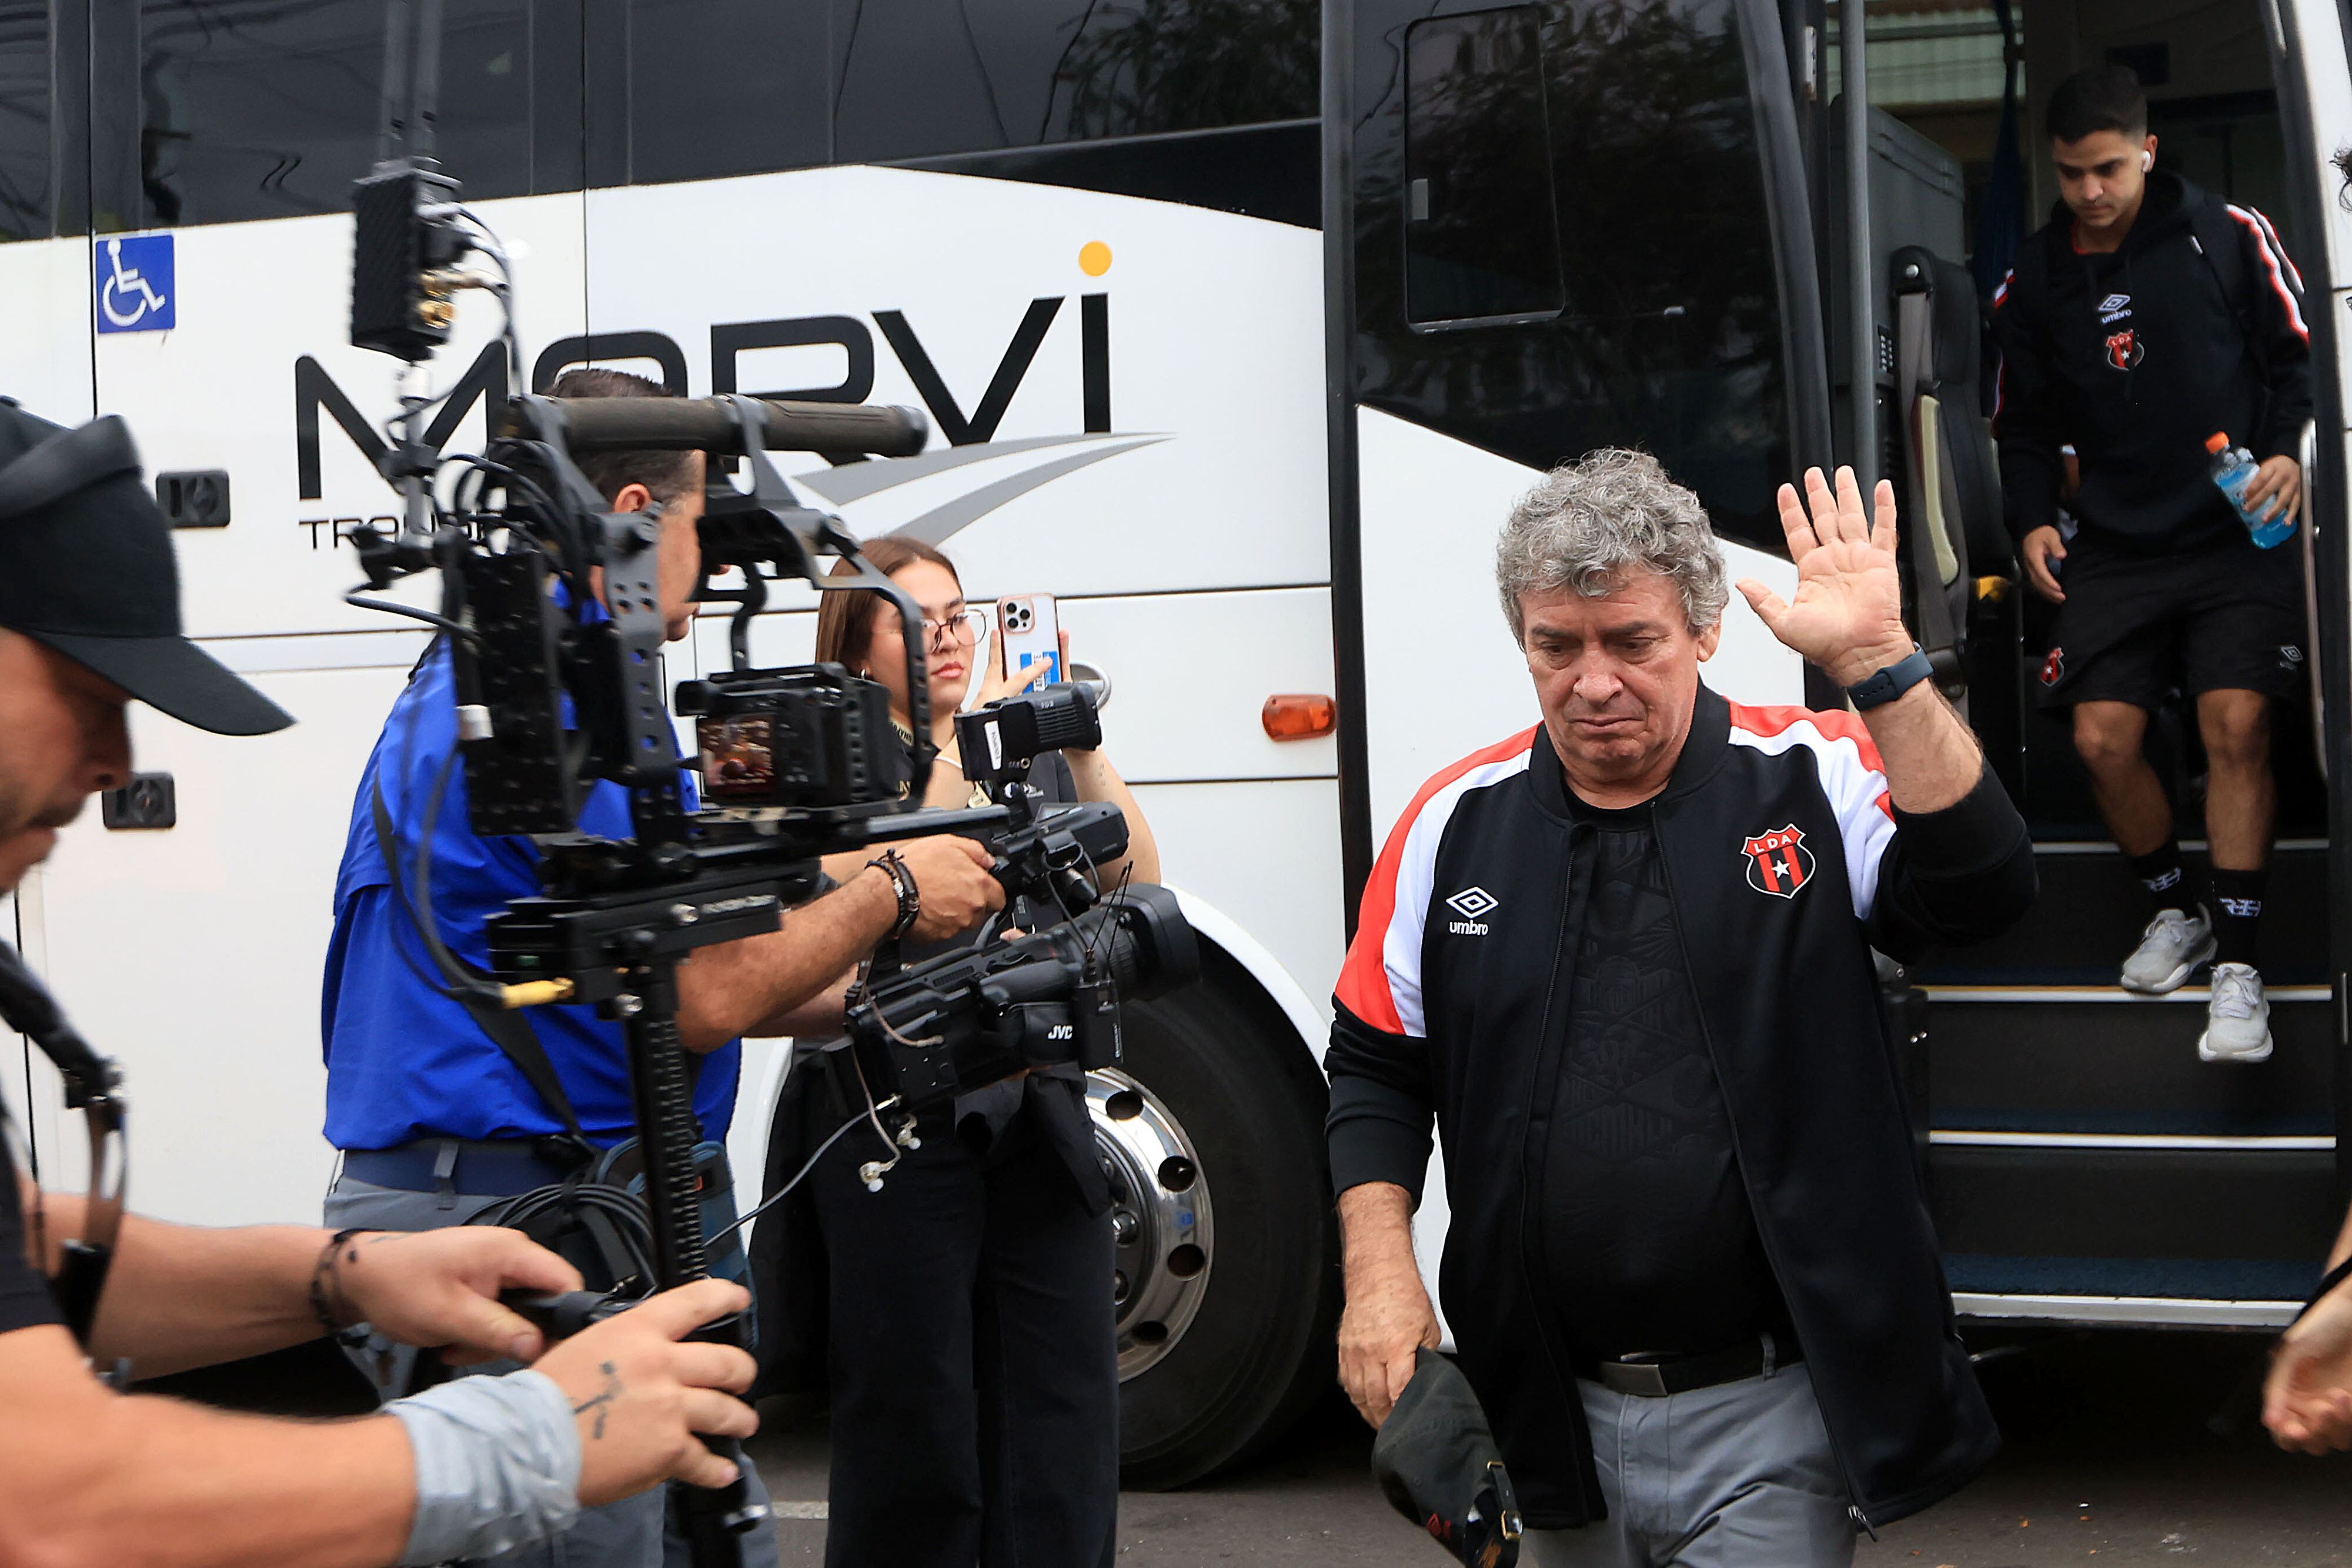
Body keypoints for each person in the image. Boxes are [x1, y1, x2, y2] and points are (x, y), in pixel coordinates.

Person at [0, 394, 759, 1567]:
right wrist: (537, 1437)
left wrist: (344, 1277)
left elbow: (31, 1249)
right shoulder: (531, 701)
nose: (118, 766)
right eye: (93, 696)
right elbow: (49, 1503)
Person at [318, 369, 1007, 1567]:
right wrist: (897, 886)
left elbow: (654, 974)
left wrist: (882, 991)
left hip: (485, 1200)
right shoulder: (568, 701)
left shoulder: (479, 675)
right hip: (532, 1220)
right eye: (700, 519)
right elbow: (708, 995)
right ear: (634, 511)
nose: (712, 554)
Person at [1328, 453, 2037, 1566]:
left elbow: (1987, 891)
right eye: (1556, 647)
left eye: (1632, 643)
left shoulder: (1812, 773)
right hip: (1543, 1417)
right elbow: (1375, 1065)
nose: (1592, 682)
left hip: (1771, 1413)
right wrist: (1379, 1278)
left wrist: (1881, 665)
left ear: (1705, 632)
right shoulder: (1448, 822)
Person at [768, 535, 1158, 1568]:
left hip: (1037, 1108)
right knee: (917, 1417)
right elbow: (883, 878)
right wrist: (952, 745)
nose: (948, 636)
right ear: (856, 649)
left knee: (1064, 1407)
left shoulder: (1015, 738)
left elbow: (1135, 874)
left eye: (958, 615)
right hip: (898, 1119)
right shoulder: (831, 757)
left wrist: (1076, 736)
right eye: (917, 618)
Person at [1993, 63, 2313, 1061]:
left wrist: (2293, 458)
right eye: (2069, 173)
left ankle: (2241, 971)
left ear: (2146, 152)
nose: (2089, 190)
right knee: (2099, 741)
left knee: (2237, 725)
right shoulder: (2034, 280)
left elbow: (2306, 363)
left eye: (2106, 169)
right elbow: (2024, 426)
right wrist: (2033, 519)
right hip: (2118, 546)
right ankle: (2180, 910)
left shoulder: (2227, 234)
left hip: (2235, 534)